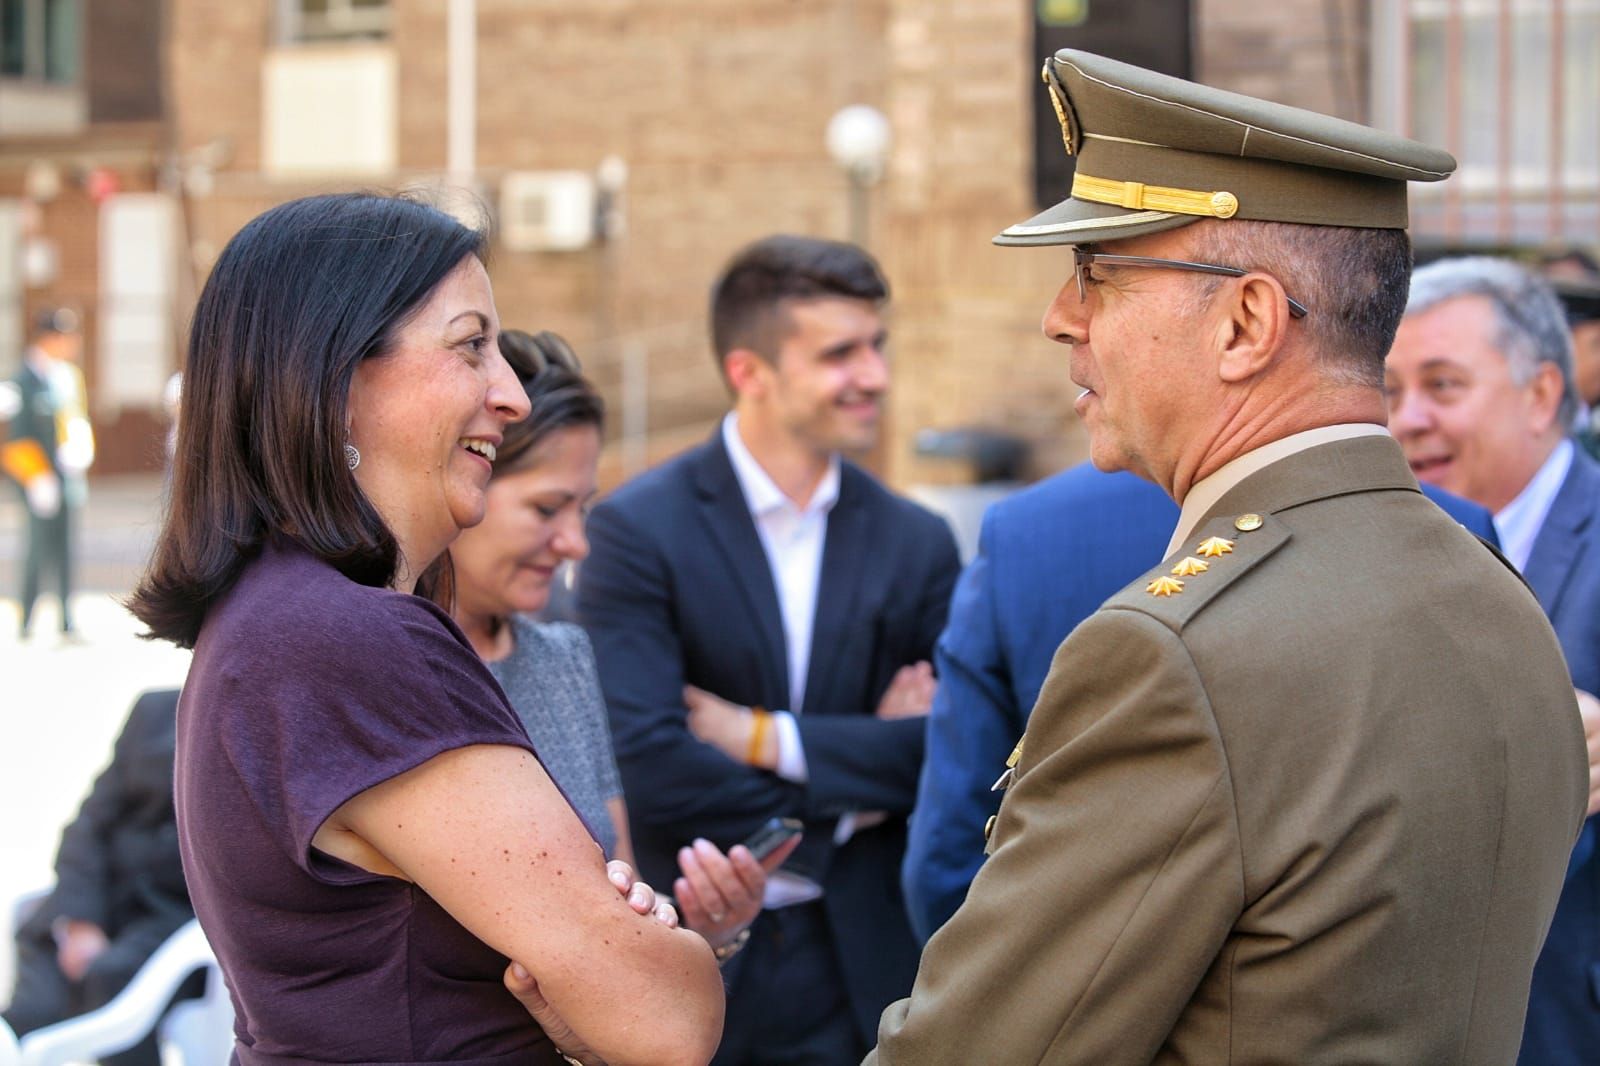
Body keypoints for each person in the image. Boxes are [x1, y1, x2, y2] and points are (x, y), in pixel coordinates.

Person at [867, 50, 1587, 1064]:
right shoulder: (1494, 593)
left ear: (1246, 322)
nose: (1058, 318)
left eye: (1097, 275)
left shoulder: (1172, 656)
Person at [129, 192, 724, 1066]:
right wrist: (649, 957)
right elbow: (670, 1020)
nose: (512, 395)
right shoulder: (346, 641)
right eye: (470, 345)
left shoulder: (278, 614)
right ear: (334, 377)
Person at [580, 235, 961, 1064]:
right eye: (840, 354)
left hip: (873, 968)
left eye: (876, 346)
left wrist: (758, 735)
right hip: (705, 961)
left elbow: (950, 751)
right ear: (749, 372)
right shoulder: (635, 531)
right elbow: (647, 760)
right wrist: (857, 796)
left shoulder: (917, 541)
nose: (876, 376)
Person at [901, 463, 1499, 942]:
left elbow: (948, 858)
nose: (1067, 329)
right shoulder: (1453, 532)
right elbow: (1493, 838)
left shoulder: (1029, 533)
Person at [449, 326, 798, 956]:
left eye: (582, 509)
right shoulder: (389, 664)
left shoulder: (563, 659)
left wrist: (709, 932)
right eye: (545, 508)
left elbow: (627, 900)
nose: (575, 544)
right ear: (465, 477)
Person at [1385, 256, 1600, 1066]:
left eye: (1442, 386)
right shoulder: (1387, 542)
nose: (1407, 419)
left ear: (1542, 394)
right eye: (1392, 389)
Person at [2, 689, 192, 1066]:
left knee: (112, 980)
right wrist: (82, 920)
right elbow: (88, 823)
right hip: (104, 896)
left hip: (175, 914)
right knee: (31, 1011)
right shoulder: (154, 709)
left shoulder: (256, 721)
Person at [3, 308, 93, 640]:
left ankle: (66, 620)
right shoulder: (21, 380)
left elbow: (75, 418)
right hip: (37, 480)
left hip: (67, 475)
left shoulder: (68, 376)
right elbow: (16, 437)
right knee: (37, 549)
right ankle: (26, 617)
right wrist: (36, 478)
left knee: (67, 548)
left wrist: (83, 445)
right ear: (50, 338)